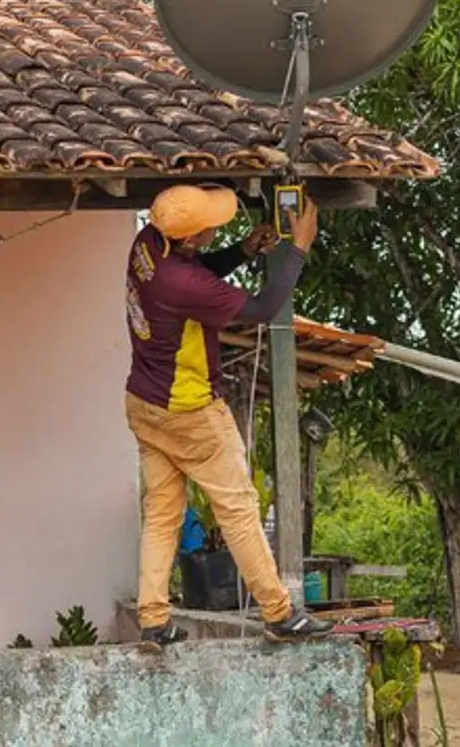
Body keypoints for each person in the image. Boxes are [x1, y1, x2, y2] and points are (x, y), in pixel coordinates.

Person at [124, 183, 335, 646]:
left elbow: (197, 271)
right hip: (189, 411)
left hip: (144, 402)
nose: (216, 228)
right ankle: (279, 612)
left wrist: (240, 251)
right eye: (211, 227)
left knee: (162, 513)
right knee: (238, 507)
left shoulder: (147, 244)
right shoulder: (180, 284)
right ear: (192, 235)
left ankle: (154, 618)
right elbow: (261, 308)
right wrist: (297, 248)